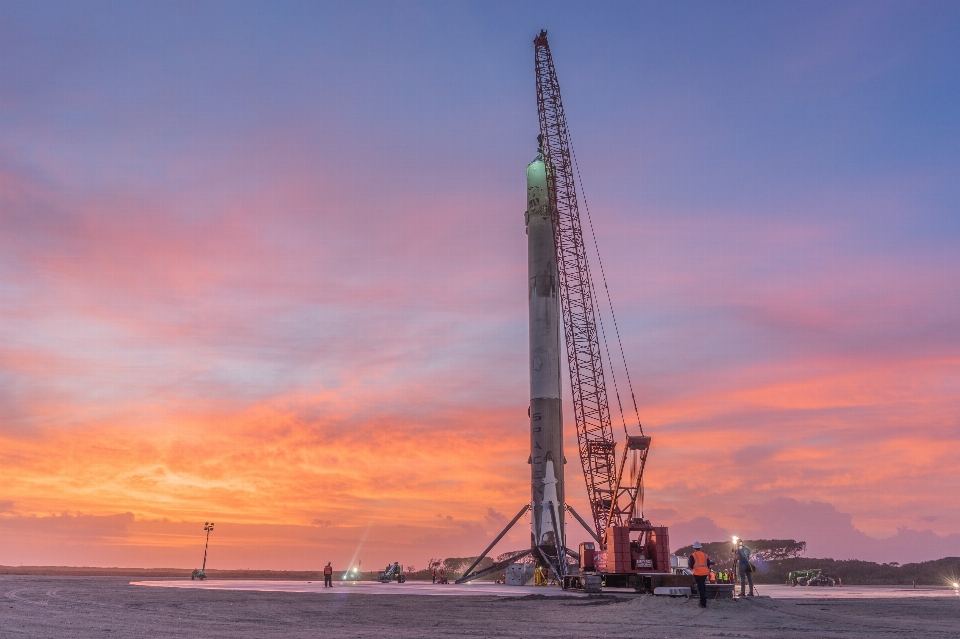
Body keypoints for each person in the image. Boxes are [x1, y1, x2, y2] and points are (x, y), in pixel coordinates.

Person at [688, 541, 712, 608]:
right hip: (704, 573)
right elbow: (708, 563)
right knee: (703, 587)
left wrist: (693, 569)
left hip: (697, 573)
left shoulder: (693, 555)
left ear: (694, 548)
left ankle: (703, 603)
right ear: (700, 547)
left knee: (700, 588)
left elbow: (690, 564)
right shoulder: (705, 555)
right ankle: (704, 601)